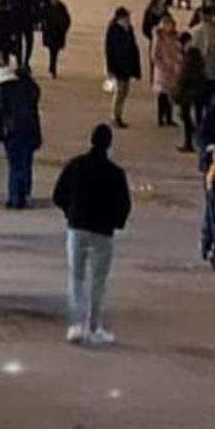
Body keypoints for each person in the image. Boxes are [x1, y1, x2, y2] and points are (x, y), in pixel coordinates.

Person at [53, 124, 131, 346]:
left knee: (76, 277)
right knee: (98, 282)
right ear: (109, 144)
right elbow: (124, 205)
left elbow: (58, 194)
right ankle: (94, 326)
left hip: (77, 228)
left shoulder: (76, 165)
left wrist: (70, 213)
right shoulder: (115, 173)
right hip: (103, 233)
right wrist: (115, 223)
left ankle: (77, 325)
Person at [0, 61, 42, 209]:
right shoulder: (29, 89)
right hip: (30, 130)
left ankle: (14, 196)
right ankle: (25, 194)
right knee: (26, 163)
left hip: (12, 131)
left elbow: (0, 112)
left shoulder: (4, 91)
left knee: (14, 164)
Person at [104, 7, 141, 128]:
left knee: (124, 91)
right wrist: (110, 68)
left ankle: (118, 114)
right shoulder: (114, 30)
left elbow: (133, 47)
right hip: (118, 66)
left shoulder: (128, 29)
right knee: (120, 92)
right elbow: (110, 50)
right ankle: (115, 115)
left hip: (127, 65)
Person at [150, 11, 182, 128]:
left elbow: (178, 50)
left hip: (172, 70)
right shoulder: (158, 38)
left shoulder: (175, 37)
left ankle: (169, 118)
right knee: (162, 95)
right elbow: (154, 55)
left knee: (171, 95)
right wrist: (162, 66)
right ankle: (161, 118)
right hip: (162, 71)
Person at [41, 0, 71, 78]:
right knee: (53, 52)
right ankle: (52, 68)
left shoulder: (60, 7)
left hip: (57, 34)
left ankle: (52, 68)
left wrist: (63, 29)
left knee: (54, 52)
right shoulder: (48, 7)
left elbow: (67, 20)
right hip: (51, 33)